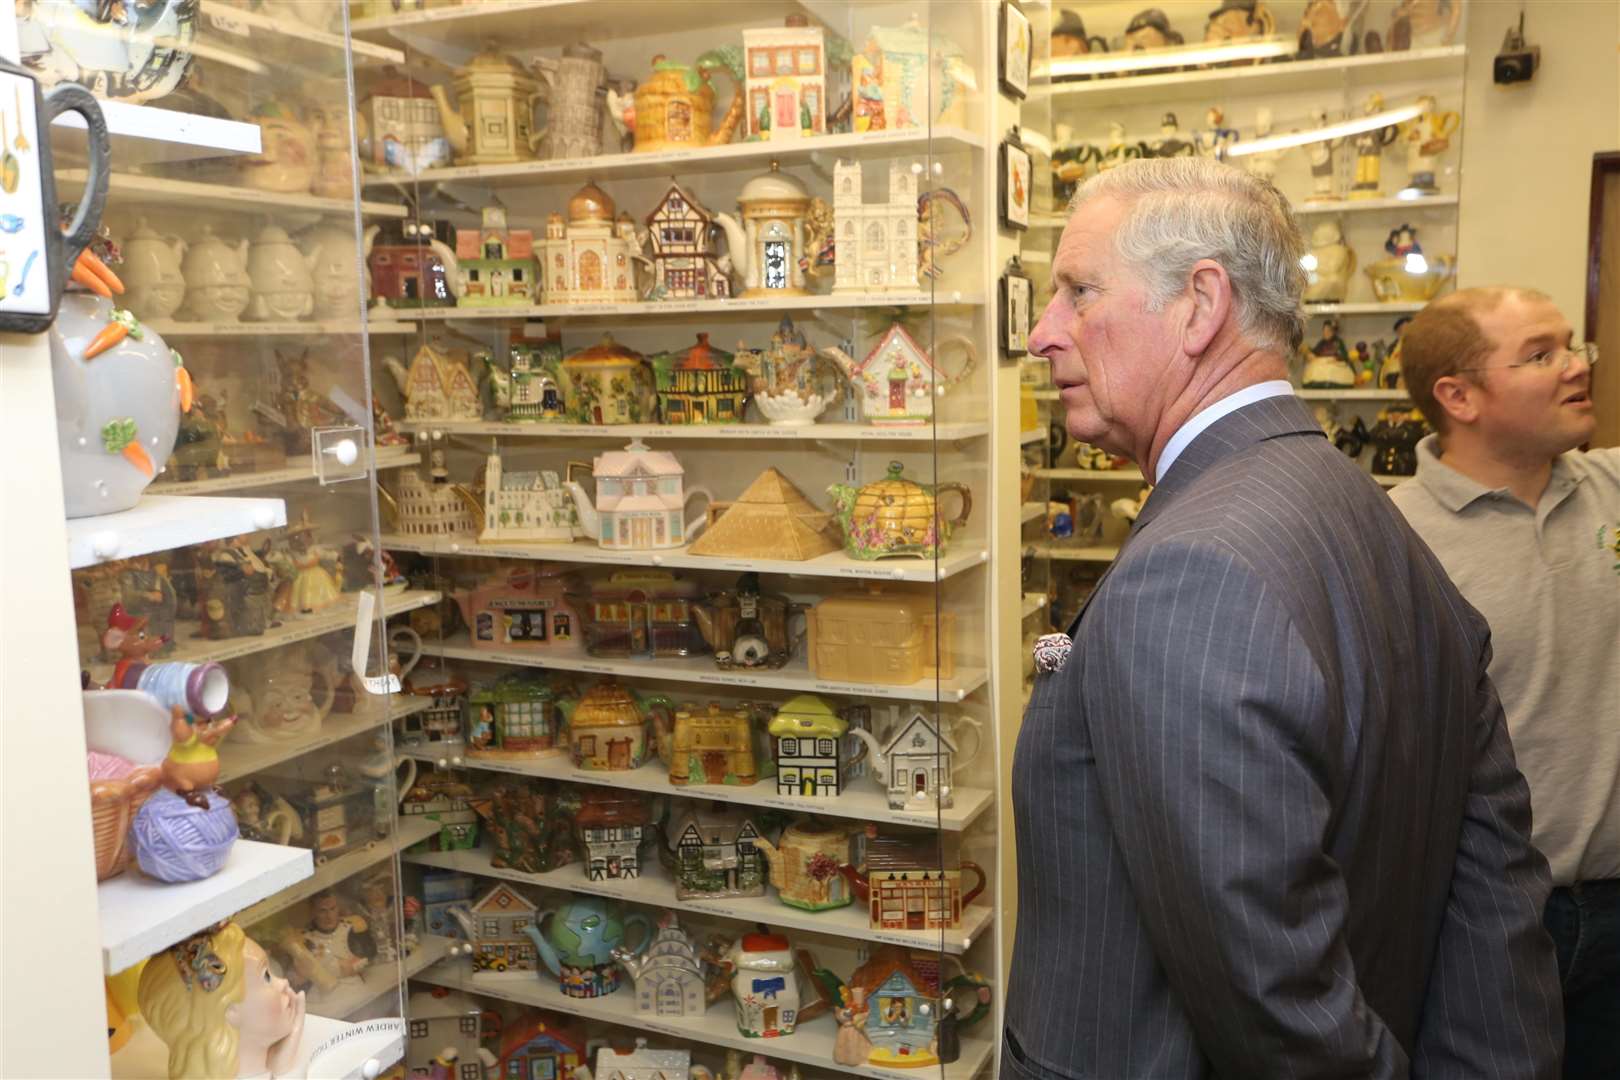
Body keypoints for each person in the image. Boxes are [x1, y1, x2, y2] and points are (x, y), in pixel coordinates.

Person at [1005, 158, 1562, 1079]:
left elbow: (1282, 1015)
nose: (1041, 332)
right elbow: (1496, 905)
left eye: (1078, 291)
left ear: (1200, 304)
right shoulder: (1363, 509)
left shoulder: (1192, 573)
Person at [1388, 287, 1617, 1079]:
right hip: (1485, 922)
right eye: (1540, 354)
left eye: (1572, 347)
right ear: (1459, 395)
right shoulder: (1396, 539)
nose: (1577, 368)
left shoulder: (1613, 491)